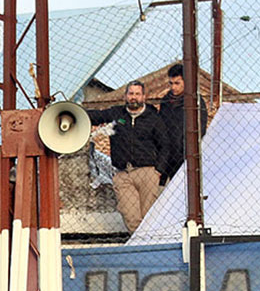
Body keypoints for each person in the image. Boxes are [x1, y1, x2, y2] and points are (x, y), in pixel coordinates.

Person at [85, 81, 171, 234]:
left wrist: (158, 170)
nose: (134, 97)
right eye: (131, 93)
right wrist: (73, 112)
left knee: (149, 215)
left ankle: (150, 245)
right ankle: (139, 242)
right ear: (125, 96)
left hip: (147, 172)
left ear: (144, 97)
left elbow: (165, 145)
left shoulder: (153, 118)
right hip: (123, 173)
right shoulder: (116, 114)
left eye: (137, 94)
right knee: (128, 212)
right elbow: (96, 116)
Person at [160, 63, 207, 182]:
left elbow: (200, 129)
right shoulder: (166, 101)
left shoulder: (196, 102)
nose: (173, 87)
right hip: (167, 156)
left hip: (186, 156)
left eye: (177, 83)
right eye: (171, 83)